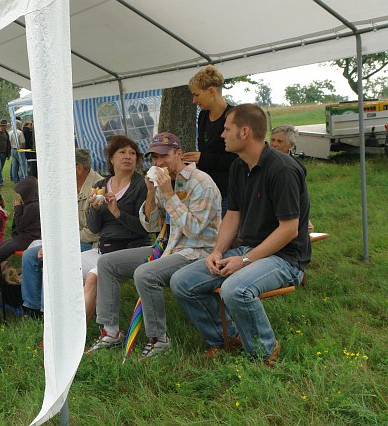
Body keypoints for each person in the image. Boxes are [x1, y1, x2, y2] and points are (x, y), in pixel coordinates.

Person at [171, 104, 311, 366]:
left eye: (226, 129)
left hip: (286, 258)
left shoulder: (282, 169)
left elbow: (289, 229)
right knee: (182, 281)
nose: (222, 135)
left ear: (244, 132)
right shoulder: (238, 166)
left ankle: (264, 353)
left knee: (234, 288)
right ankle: (226, 339)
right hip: (248, 250)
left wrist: (245, 260)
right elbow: (232, 216)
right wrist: (217, 251)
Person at [88, 133, 221, 356]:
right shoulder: (161, 183)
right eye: (154, 158)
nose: (158, 163)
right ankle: (111, 332)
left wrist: (169, 194)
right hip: (167, 248)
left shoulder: (201, 182)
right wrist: (151, 193)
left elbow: (194, 230)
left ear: (179, 154)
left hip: (197, 251)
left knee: (145, 273)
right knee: (106, 263)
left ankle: (159, 339)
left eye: (164, 156)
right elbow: (150, 225)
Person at [20, 148, 102, 317]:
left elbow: (94, 232)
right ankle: (32, 308)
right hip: (70, 240)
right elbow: (59, 221)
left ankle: (50, 312)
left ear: (78, 168)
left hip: (90, 243)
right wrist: (51, 243)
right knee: (29, 256)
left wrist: (60, 244)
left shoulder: (99, 187)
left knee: (52, 258)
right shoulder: (68, 185)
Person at [82, 135, 151, 320]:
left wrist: (117, 212)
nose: (128, 156)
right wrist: (95, 209)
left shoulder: (141, 185)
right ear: (111, 158)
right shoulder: (100, 185)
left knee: (93, 277)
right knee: (67, 267)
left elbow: (144, 228)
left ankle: (82, 331)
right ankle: (59, 321)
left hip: (131, 249)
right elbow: (94, 228)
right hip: (103, 249)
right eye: (122, 152)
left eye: (132, 153)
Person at [184, 65, 238, 216]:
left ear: (212, 92)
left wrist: (203, 158)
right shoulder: (203, 116)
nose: (194, 100)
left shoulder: (234, 116)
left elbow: (238, 159)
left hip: (227, 192)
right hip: (207, 190)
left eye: (197, 95)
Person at [0, 176, 41, 263]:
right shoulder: (29, 205)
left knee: (2, 251)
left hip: (30, 238)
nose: (19, 197)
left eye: (20, 195)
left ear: (27, 194)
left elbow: (20, 225)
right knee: (0, 248)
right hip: (23, 236)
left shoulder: (32, 207)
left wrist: (18, 208)